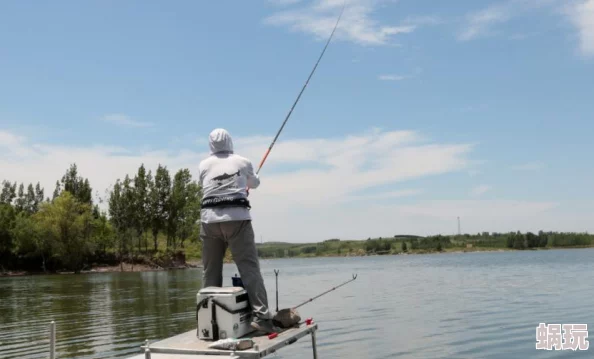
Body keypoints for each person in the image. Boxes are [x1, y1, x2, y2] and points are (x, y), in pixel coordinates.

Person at [198, 128, 279, 334]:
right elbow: (255, 183)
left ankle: (208, 320)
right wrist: (254, 178)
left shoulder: (203, 165)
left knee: (210, 271)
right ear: (230, 142)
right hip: (237, 220)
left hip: (209, 221)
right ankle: (262, 318)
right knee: (249, 269)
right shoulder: (243, 162)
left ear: (211, 145)